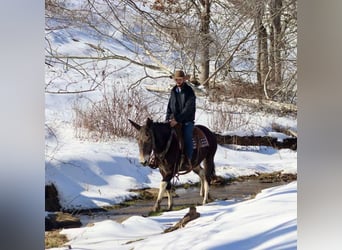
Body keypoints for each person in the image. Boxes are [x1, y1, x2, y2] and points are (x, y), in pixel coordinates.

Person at [166, 69, 196, 170]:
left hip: (187, 120)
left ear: (184, 79)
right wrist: (167, 119)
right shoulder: (173, 91)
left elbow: (188, 109)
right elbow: (169, 106)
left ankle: (188, 160)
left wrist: (177, 119)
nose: (178, 81)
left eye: (180, 79)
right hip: (174, 120)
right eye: (176, 79)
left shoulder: (189, 91)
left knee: (187, 137)